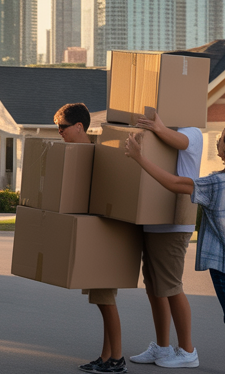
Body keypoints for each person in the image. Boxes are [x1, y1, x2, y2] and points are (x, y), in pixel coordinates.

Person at [124, 124, 225, 374]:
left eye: (220, 140)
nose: (217, 143)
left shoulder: (215, 184)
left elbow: (175, 183)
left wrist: (139, 157)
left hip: (223, 260)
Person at [54, 103, 126, 374]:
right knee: (102, 300)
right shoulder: (80, 154)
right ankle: (106, 356)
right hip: (94, 234)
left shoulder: (95, 154)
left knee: (106, 301)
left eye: (62, 127)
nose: (59, 132)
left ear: (79, 127)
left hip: (104, 236)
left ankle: (117, 360)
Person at [127, 112, 202, 369]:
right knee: (154, 286)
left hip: (174, 221)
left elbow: (180, 142)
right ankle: (162, 346)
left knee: (171, 285)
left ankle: (188, 351)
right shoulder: (158, 131)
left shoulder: (192, 131)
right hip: (152, 219)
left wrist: (158, 127)